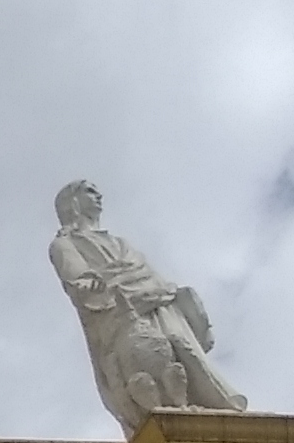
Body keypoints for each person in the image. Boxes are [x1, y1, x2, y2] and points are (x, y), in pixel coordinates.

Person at [48, 179, 244, 426]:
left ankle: (204, 409)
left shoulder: (120, 243)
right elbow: (79, 281)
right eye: (90, 191)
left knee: (183, 350)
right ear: (73, 202)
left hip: (160, 306)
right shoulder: (64, 244)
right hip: (122, 316)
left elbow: (152, 276)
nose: (99, 196)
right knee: (148, 368)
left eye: (98, 191)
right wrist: (93, 286)